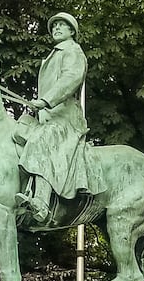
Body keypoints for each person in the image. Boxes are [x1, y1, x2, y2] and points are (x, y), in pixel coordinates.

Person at [17, 12, 92, 218]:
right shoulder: (54, 54)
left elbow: (70, 79)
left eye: (62, 25)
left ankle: (41, 202)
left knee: (42, 140)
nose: (57, 28)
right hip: (47, 116)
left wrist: (45, 101)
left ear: (72, 31)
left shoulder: (73, 51)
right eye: (54, 26)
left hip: (66, 118)